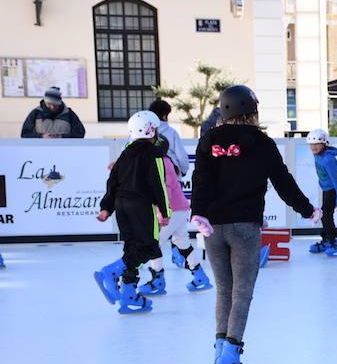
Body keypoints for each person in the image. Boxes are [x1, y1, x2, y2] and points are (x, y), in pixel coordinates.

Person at [191, 85, 320, 364]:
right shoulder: (260, 142)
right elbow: (283, 181)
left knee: (224, 290)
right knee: (242, 293)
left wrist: (199, 213)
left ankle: (220, 352)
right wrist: (306, 209)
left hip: (213, 227)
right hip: (245, 228)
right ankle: (230, 359)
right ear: (251, 111)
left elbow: (201, 179)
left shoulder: (208, 139)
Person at [93, 111, 171, 314]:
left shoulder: (125, 153)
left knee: (132, 248)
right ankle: (110, 272)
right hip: (141, 206)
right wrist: (164, 211)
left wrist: (106, 208)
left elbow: (113, 182)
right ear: (152, 130)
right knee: (148, 247)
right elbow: (158, 185)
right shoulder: (153, 154)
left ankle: (129, 295)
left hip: (121, 206)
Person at [137, 144, 213, 296]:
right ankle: (200, 276)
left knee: (154, 243)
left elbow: (166, 189)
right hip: (180, 209)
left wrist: (163, 213)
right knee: (182, 242)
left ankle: (157, 280)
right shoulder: (166, 161)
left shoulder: (162, 163)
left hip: (173, 211)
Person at [306, 128, 337, 257]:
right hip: (326, 189)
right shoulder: (318, 156)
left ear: (324, 144)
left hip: (333, 190)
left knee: (326, 216)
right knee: (324, 214)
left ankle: (334, 242)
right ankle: (327, 239)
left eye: (317, 144)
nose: (313, 147)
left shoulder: (328, 160)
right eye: (311, 144)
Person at [21, 87, 85, 138]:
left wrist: (61, 136)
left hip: (64, 150)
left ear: (59, 103)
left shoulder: (69, 114)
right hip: (40, 151)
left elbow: (80, 133)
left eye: (55, 104)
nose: (52, 107)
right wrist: (42, 137)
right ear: (45, 102)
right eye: (49, 104)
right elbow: (25, 134)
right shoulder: (36, 113)